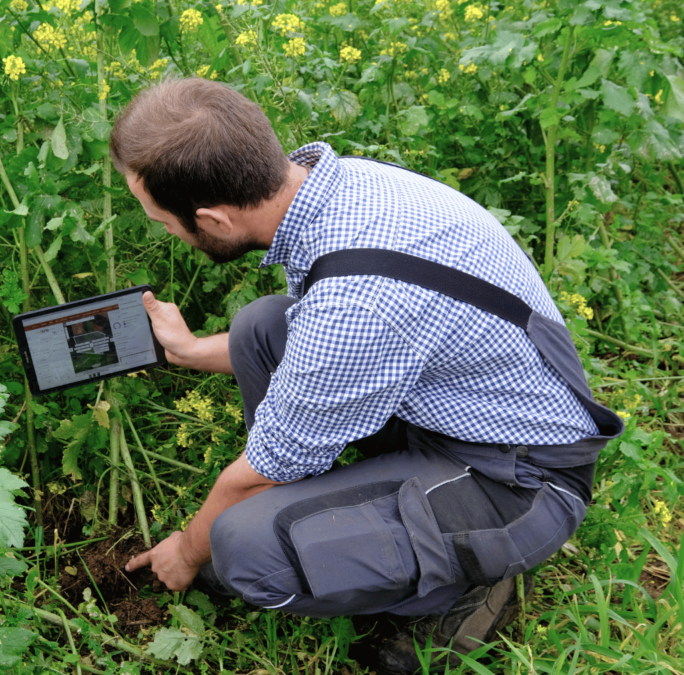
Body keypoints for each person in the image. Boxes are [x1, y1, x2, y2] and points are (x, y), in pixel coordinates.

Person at [112, 78, 622, 674]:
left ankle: (465, 586)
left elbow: (252, 477)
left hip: (518, 482)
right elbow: (322, 344)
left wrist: (185, 551)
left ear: (214, 220)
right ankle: (366, 520)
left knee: (241, 548)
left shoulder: (356, 304)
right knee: (260, 327)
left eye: (161, 220)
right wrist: (193, 350)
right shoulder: (343, 186)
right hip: (459, 408)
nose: (163, 231)